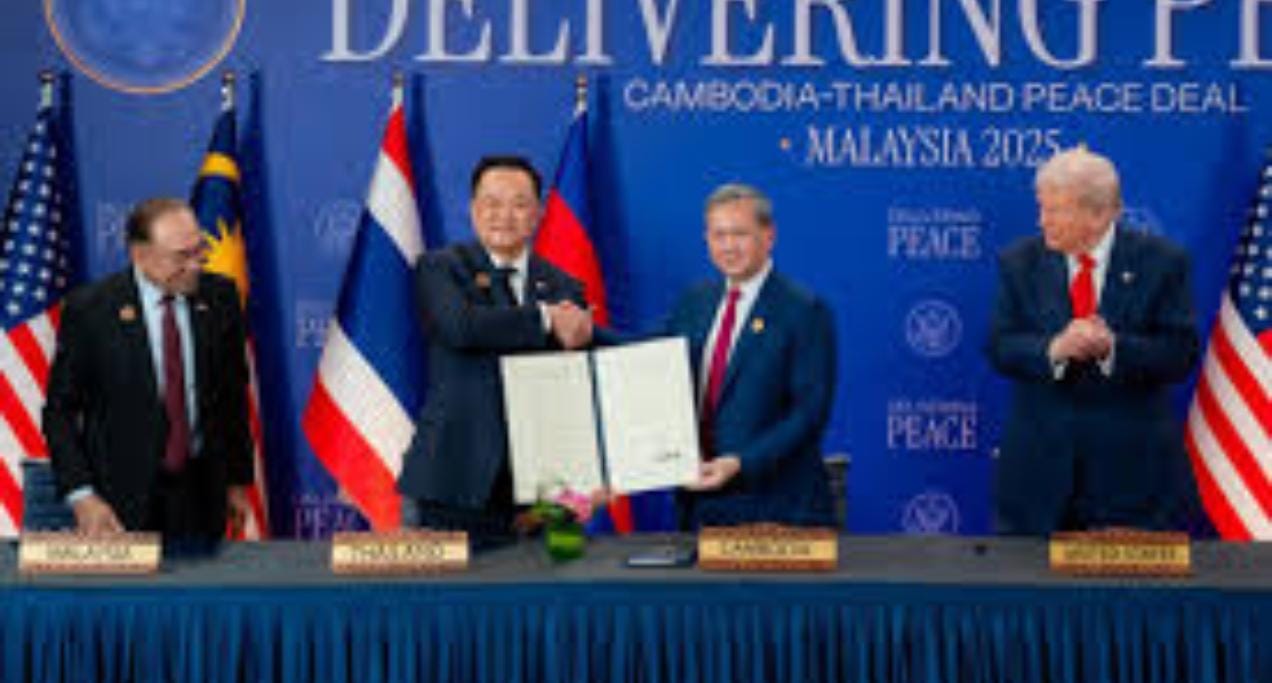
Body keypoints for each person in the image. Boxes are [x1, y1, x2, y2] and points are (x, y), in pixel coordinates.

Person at [987, 147, 1201, 536]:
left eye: (1055, 211)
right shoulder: (1020, 263)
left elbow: (1180, 353)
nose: (1042, 221)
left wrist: (1113, 348)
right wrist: (1054, 349)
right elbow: (999, 346)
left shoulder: (1163, 263)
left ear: (1099, 214)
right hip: (1037, 485)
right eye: (1042, 207)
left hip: (1131, 482)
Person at [396, 155, 593, 546]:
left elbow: (578, 387)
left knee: (551, 596)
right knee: (448, 605)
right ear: (473, 210)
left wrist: (586, 482)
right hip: (452, 482)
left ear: (537, 213)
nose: (505, 215)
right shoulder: (440, 268)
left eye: (519, 204)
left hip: (546, 493)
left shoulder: (565, 287)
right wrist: (544, 319)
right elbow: (462, 327)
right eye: (492, 203)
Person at [43, 197, 253, 545]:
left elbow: (232, 397)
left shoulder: (220, 298)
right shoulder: (91, 310)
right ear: (139, 255)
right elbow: (59, 412)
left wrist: (235, 481)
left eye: (198, 250)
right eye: (180, 257)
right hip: (117, 503)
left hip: (201, 496)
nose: (195, 265)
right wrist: (82, 496)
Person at [664, 183, 838, 527]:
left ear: (768, 235)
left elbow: (809, 414)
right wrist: (583, 330)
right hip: (700, 503)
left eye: (740, 234)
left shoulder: (804, 310)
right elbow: (649, 349)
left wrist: (740, 462)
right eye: (718, 235)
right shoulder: (695, 302)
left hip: (776, 508)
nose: (728, 246)